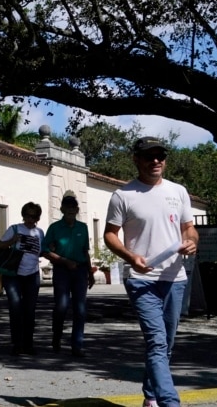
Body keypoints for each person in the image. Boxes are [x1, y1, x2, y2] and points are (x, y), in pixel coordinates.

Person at [104, 137, 199, 407]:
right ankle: (170, 402)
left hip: (175, 278)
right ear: (136, 159)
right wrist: (131, 257)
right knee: (157, 343)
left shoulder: (178, 191)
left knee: (165, 345)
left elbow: (188, 228)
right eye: (149, 156)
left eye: (160, 156)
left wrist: (192, 241)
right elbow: (110, 235)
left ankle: (150, 397)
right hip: (141, 280)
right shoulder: (123, 196)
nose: (155, 161)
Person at [43, 193, 92, 357]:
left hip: (80, 270)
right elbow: (45, 251)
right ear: (62, 209)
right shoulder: (55, 228)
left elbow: (85, 251)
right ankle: (56, 337)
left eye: (74, 207)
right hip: (62, 270)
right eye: (68, 207)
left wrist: (90, 272)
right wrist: (63, 261)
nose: (71, 210)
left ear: (77, 209)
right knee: (61, 306)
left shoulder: (83, 227)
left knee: (80, 308)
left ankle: (77, 345)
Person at [0, 202, 45, 355]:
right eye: (27, 216)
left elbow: (41, 251)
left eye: (33, 216)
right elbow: (0, 245)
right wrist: (13, 241)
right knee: (16, 307)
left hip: (32, 274)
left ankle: (28, 344)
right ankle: (17, 343)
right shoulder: (15, 229)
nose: (30, 219)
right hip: (13, 274)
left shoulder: (40, 232)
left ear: (38, 217)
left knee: (30, 310)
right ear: (23, 215)